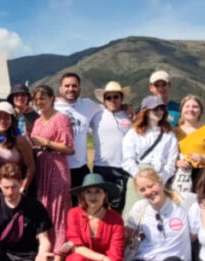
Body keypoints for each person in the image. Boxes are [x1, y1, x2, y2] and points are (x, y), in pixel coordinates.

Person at [29, 84, 74, 261]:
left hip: (57, 166)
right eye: (37, 99)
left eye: (43, 98)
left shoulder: (61, 119)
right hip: (42, 167)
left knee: (58, 211)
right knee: (44, 209)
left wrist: (46, 143)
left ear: (52, 99)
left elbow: (69, 147)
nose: (40, 102)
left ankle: (58, 257)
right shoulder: (38, 121)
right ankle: (45, 249)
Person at [121, 95, 179, 213]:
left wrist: (160, 179)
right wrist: (140, 178)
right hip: (137, 177)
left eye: (161, 108)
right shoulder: (133, 133)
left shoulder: (169, 135)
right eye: (155, 108)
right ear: (146, 111)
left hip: (159, 177)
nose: (159, 111)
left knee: (157, 214)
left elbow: (171, 162)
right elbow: (127, 160)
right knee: (134, 214)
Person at [90, 81, 132, 211]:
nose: (112, 100)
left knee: (118, 205)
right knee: (98, 205)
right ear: (104, 100)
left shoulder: (130, 116)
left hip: (123, 167)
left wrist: (129, 109)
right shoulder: (96, 115)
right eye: (108, 97)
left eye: (116, 97)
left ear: (121, 98)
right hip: (101, 167)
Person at [54, 72, 100, 188]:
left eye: (74, 86)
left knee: (82, 204)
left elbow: (110, 108)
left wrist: (126, 108)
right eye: (67, 86)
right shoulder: (51, 106)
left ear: (79, 88)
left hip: (81, 168)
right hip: (58, 167)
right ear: (60, 89)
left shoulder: (89, 105)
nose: (71, 89)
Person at [0, 101, 36, 193]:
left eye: (6, 117)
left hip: (17, 183)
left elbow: (31, 167)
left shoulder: (20, 140)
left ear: (12, 119)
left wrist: (23, 188)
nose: (2, 121)